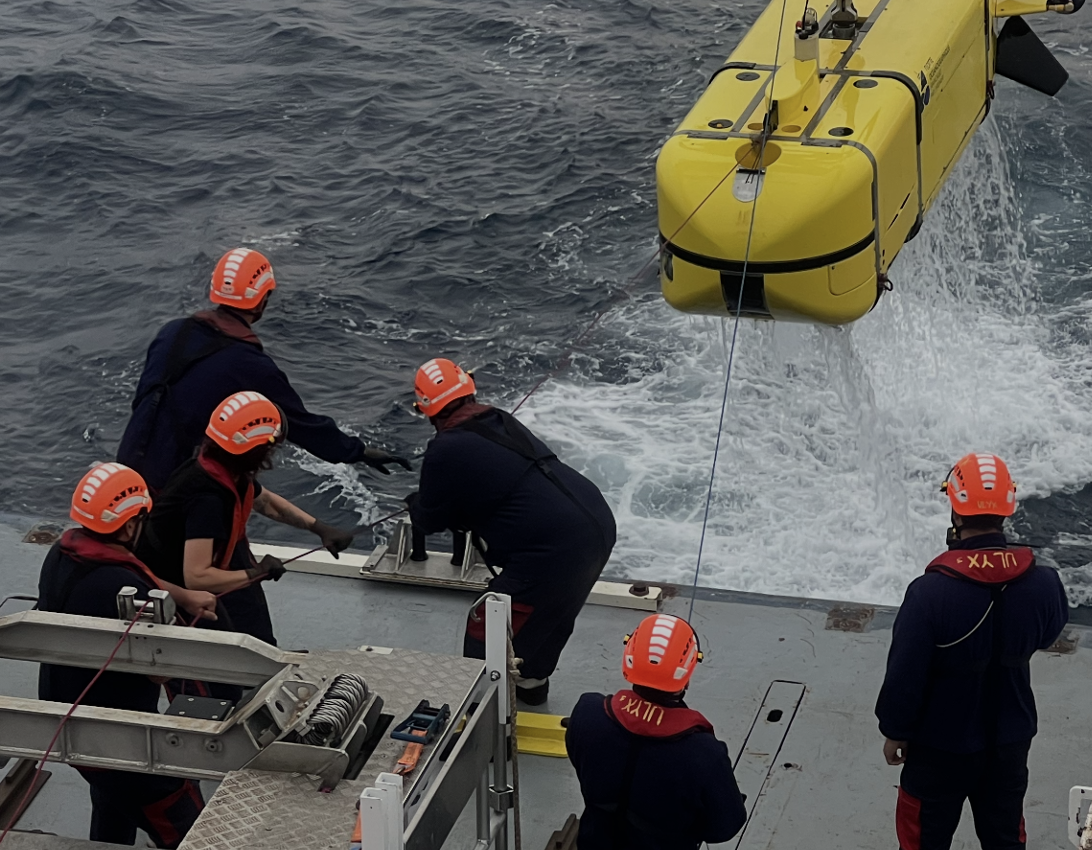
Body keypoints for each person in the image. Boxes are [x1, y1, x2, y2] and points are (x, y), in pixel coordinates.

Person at [875, 453, 1069, 850]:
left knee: (923, 840)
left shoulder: (928, 593)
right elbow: (1047, 636)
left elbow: (905, 675)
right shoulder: (1044, 583)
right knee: (1004, 838)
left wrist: (896, 731)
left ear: (955, 509)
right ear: (1007, 509)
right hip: (1009, 738)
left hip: (938, 744)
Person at [404, 358, 615, 706]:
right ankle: (532, 690)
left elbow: (430, 520)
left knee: (487, 623)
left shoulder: (444, 449)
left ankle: (477, 715)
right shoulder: (501, 418)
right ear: (470, 388)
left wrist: (414, 504)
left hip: (554, 546)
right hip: (596, 521)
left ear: (425, 410)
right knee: (549, 615)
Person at [117, 246, 409, 491]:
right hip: (175, 484)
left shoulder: (171, 332)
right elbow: (299, 424)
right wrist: (358, 452)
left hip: (128, 470)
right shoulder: (249, 364)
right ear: (262, 301)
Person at [36, 462, 218, 847]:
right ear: (130, 524)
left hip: (71, 723)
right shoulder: (120, 585)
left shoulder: (62, 555)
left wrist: (182, 597)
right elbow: (158, 673)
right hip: (117, 732)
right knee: (183, 821)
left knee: (111, 796)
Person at [137, 391, 354, 667]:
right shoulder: (208, 499)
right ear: (254, 450)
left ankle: (264, 660)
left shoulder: (224, 466)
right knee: (222, 658)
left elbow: (264, 502)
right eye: (270, 444)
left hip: (221, 557)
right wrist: (255, 573)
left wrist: (318, 527)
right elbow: (196, 577)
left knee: (255, 626)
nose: (273, 450)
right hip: (178, 584)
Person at [564, 614, 747, 848]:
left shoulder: (587, 713)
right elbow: (724, 828)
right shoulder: (704, 753)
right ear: (688, 671)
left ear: (628, 656)